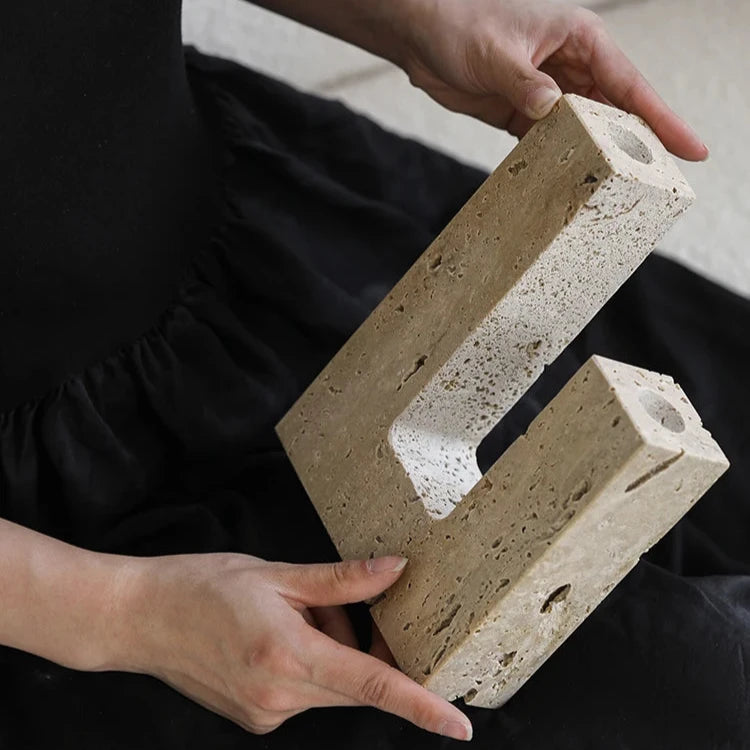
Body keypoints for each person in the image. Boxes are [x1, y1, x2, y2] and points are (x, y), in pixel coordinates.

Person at [2, 1, 747, 748]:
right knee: (683, 685)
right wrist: (124, 614)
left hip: (252, 230)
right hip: (78, 532)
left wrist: (416, 20)